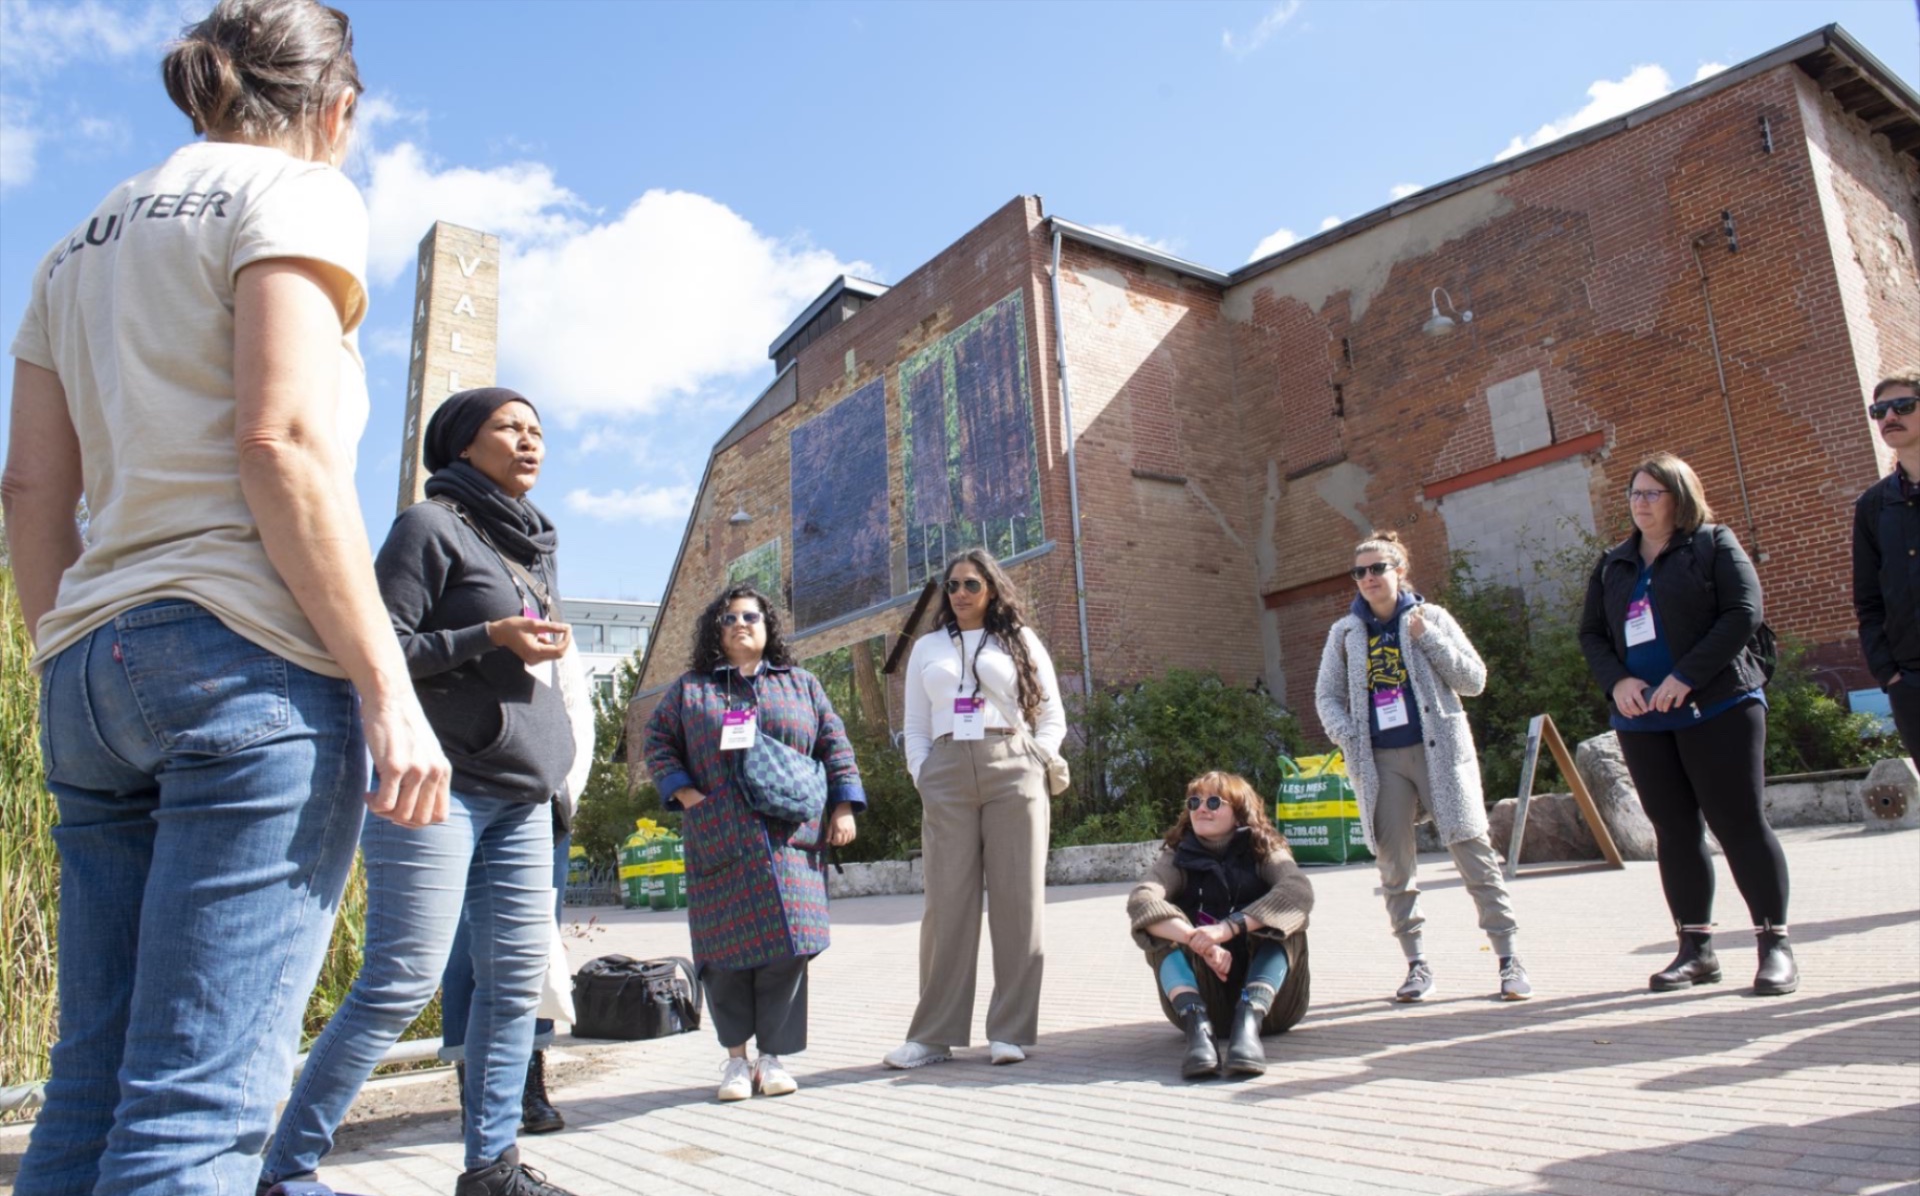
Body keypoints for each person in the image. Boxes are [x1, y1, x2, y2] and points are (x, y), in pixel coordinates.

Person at [2, 2, 451, 1191]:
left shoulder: (72, 247)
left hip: (93, 672)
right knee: (196, 1113)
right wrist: (386, 684)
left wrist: (63, 647)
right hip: (243, 663)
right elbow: (284, 440)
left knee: (88, 1091)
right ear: (336, 109)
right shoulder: (297, 192)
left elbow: (30, 486)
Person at [259, 389, 581, 1196]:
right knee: (402, 977)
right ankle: (286, 1168)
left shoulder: (532, 546)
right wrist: (487, 635)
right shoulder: (428, 526)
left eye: (538, 429)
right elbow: (377, 646)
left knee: (511, 987)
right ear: (461, 443)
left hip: (523, 795)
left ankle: (492, 1166)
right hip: (440, 785)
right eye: (510, 427)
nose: (529, 440)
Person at [1580, 454, 1792, 995]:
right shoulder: (1613, 564)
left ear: (1680, 496)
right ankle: (1695, 951)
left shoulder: (1713, 544)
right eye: (1634, 493)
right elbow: (1592, 636)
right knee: (1674, 832)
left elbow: (1744, 613)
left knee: (1738, 822)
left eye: (1653, 493)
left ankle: (1774, 946)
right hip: (1644, 720)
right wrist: (1619, 683)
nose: (1641, 502)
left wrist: (1687, 676)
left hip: (1718, 705)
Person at [643, 585, 863, 1102]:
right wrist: (690, 797)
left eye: (751, 616)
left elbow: (835, 743)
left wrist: (845, 805)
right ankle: (736, 1062)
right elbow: (656, 744)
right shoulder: (690, 690)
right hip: (721, 837)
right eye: (729, 617)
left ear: (768, 627)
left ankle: (773, 1058)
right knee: (724, 956)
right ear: (714, 630)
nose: (740, 623)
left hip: (790, 840)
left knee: (786, 950)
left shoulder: (802, 685)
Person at [1314, 530, 1531, 1003]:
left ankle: (1509, 958)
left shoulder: (1431, 618)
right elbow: (1326, 695)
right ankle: (1416, 965)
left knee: (1473, 852)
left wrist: (1427, 638)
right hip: (1379, 762)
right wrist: (1346, 733)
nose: (1368, 578)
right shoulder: (1346, 634)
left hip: (1440, 755)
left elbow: (1473, 680)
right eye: (1360, 572)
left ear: (1400, 572)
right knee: (1394, 866)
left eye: (1377, 568)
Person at [885, 549, 1067, 1069]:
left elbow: (1051, 711)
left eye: (970, 584)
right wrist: (923, 772)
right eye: (952, 586)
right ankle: (933, 1036)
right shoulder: (927, 647)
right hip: (945, 769)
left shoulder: (1020, 639)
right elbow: (915, 722)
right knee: (946, 906)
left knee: (1018, 902)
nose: (959, 593)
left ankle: (1009, 1030)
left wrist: (1040, 758)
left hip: (1012, 763)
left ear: (992, 588)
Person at [1127, 772, 1313, 1080]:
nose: (1202, 808)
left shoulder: (1264, 849)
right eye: (1194, 801)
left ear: (1239, 811)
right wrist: (1196, 938)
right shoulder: (1178, 856)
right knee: (1157, 925)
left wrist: (1228, 929)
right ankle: (1197, 1028)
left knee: (1288, 917)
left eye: (1214, 801)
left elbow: (1298, 889)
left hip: (1273, 1008)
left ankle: (1247, 1024)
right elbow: (1142, 899)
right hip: (1203, 1001)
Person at [1852, 373, 1920, 767]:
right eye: (1879, 411)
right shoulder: (1873, 506)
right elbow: (1868, 598)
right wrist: (1889, 674)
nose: (1889, 417)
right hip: (1911, 680)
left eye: (1903, 407)